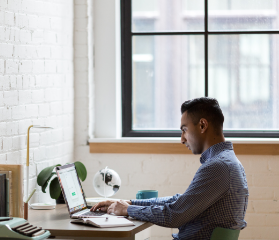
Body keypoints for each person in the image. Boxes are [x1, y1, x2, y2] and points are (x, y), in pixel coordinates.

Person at [91, 97, 249, 240]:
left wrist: (129, 210)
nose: (182, 139)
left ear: (202, 125)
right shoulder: (226, 162)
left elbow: (175, 215)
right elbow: (180, 201)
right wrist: (129, 203)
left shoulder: (218, 166)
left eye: (184, 129)